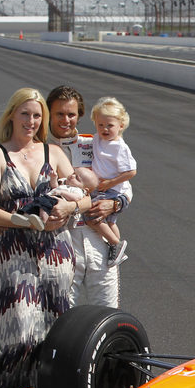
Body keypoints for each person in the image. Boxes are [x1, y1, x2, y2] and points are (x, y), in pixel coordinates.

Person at [0, 87, 91, 388]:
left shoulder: (52, 152)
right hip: (14, 252)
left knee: (52, 331)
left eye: (37, 115)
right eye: (25, 114)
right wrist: (22, 220)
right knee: (15, 328)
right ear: (11, 114)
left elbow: (84, 196)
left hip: (56, 253)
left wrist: (69, 207)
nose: (31, 121)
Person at [46, 85, 127, 307]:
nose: (66, 120)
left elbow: (125, 187)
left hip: (98, 238)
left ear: (79, 115)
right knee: (60, 314)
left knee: (107, 311)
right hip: (60, 242)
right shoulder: (39, 149)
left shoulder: (96, 143)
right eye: (59, 114)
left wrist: (114, 204)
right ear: (49, 114)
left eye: (71, 114)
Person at [88, 96, 137, 267]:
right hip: (102, 189)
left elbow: (131, 171)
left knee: (91, 216)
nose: (105, 129)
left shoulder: (119, 147)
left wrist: (110, 183)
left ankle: (115, 243)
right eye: (100, 125)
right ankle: (114, 246)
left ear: (121, 126)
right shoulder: (97, 139)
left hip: (113, 191)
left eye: (110, 125)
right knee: (109, 222)